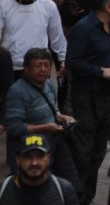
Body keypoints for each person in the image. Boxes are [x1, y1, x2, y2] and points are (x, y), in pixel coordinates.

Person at [66, 0, 110, 205]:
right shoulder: (84, 29)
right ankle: (75, 202)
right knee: (83, 151)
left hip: (106, 99)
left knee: (100, 149)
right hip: (86, 97)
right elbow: (73, 62)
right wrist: (101, 71)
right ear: (108, 7)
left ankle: (87, 198)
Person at [2, 48, 81, 193]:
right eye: (38, 66)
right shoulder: (17, 92)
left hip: (53, 144)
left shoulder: (49, 84)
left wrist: (62, 117)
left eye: (46, 65)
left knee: (71, 184)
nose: (43, 70)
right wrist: (45, 128)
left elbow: (53, 109)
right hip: (30, 150)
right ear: (26, 68)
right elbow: (13, 127)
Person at [0, 0, 67, 75]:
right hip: (11, 67)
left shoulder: (49, 6)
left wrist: (63, 60)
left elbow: (57, 38)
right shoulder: (4, 6)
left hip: (39, 69)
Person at [0, 134, 81, 205]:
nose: (34, 163)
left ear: (49, 158)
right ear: (18, 159)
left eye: (40, 156)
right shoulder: (3, 190)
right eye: (28, 157)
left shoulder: (64, 191)